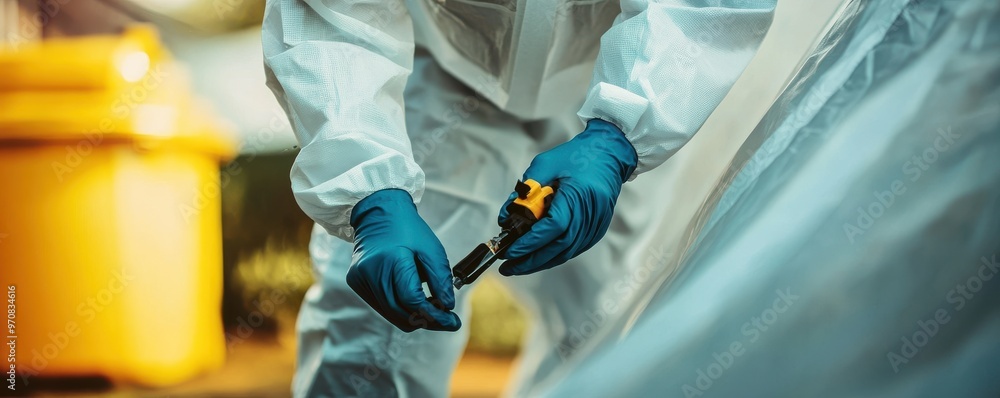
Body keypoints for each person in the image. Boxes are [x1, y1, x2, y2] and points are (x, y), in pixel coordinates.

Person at [262, 0, 777, 396]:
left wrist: (622, 130)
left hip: (622, 69)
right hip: (444, 76)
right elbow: (330, 14)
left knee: (601, 320)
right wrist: (369, 192)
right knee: (376, 326)